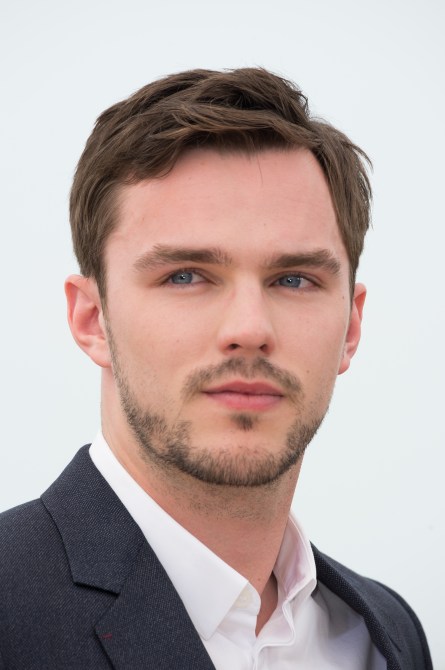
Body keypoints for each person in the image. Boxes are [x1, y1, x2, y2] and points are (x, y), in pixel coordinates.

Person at [0, 68, 432, 670]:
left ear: (351, 328)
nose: (249, 328)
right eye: (185, 276)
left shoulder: (387, 635)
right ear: (92, 319)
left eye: (294, 279)